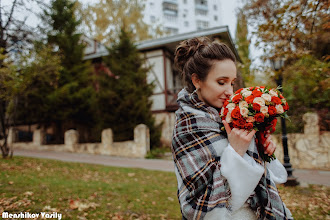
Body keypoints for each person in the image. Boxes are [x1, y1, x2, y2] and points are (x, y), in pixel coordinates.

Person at [171, 37, 293, 220]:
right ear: (197, 80)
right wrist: (236, 151)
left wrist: (262, 151)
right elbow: (204, 203)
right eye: (221, 82)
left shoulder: (232, 116)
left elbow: (260, 180)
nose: (230, 91)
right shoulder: (188, 127)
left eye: (232, 82)